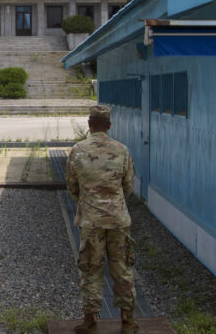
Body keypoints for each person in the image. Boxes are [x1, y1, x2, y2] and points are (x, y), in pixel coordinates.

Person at [66, 104, 138, 334]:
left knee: (91, 269)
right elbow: (127, 186)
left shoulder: (78, 150)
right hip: (118, 220)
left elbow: (72, 186)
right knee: (122, 268)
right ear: (109, 125)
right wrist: (113, 202)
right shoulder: (122, 150)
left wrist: (88, 203)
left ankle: (90, 321)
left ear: (89, 125)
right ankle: (127, 321)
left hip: (91, 221)